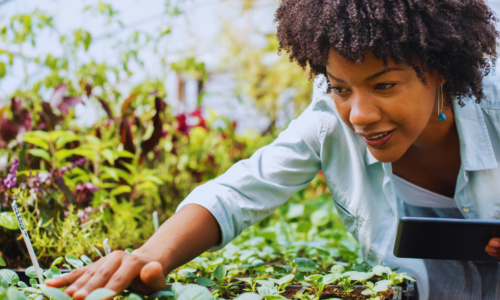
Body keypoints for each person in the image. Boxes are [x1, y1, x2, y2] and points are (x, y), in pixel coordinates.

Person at [47, 0, 500, 299]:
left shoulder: (494, 108)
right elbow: (239, 191)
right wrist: (149, 255)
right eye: (341, 88)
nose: (358, 114)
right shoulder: (328, 124)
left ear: (440, 70)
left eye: (384, 85)